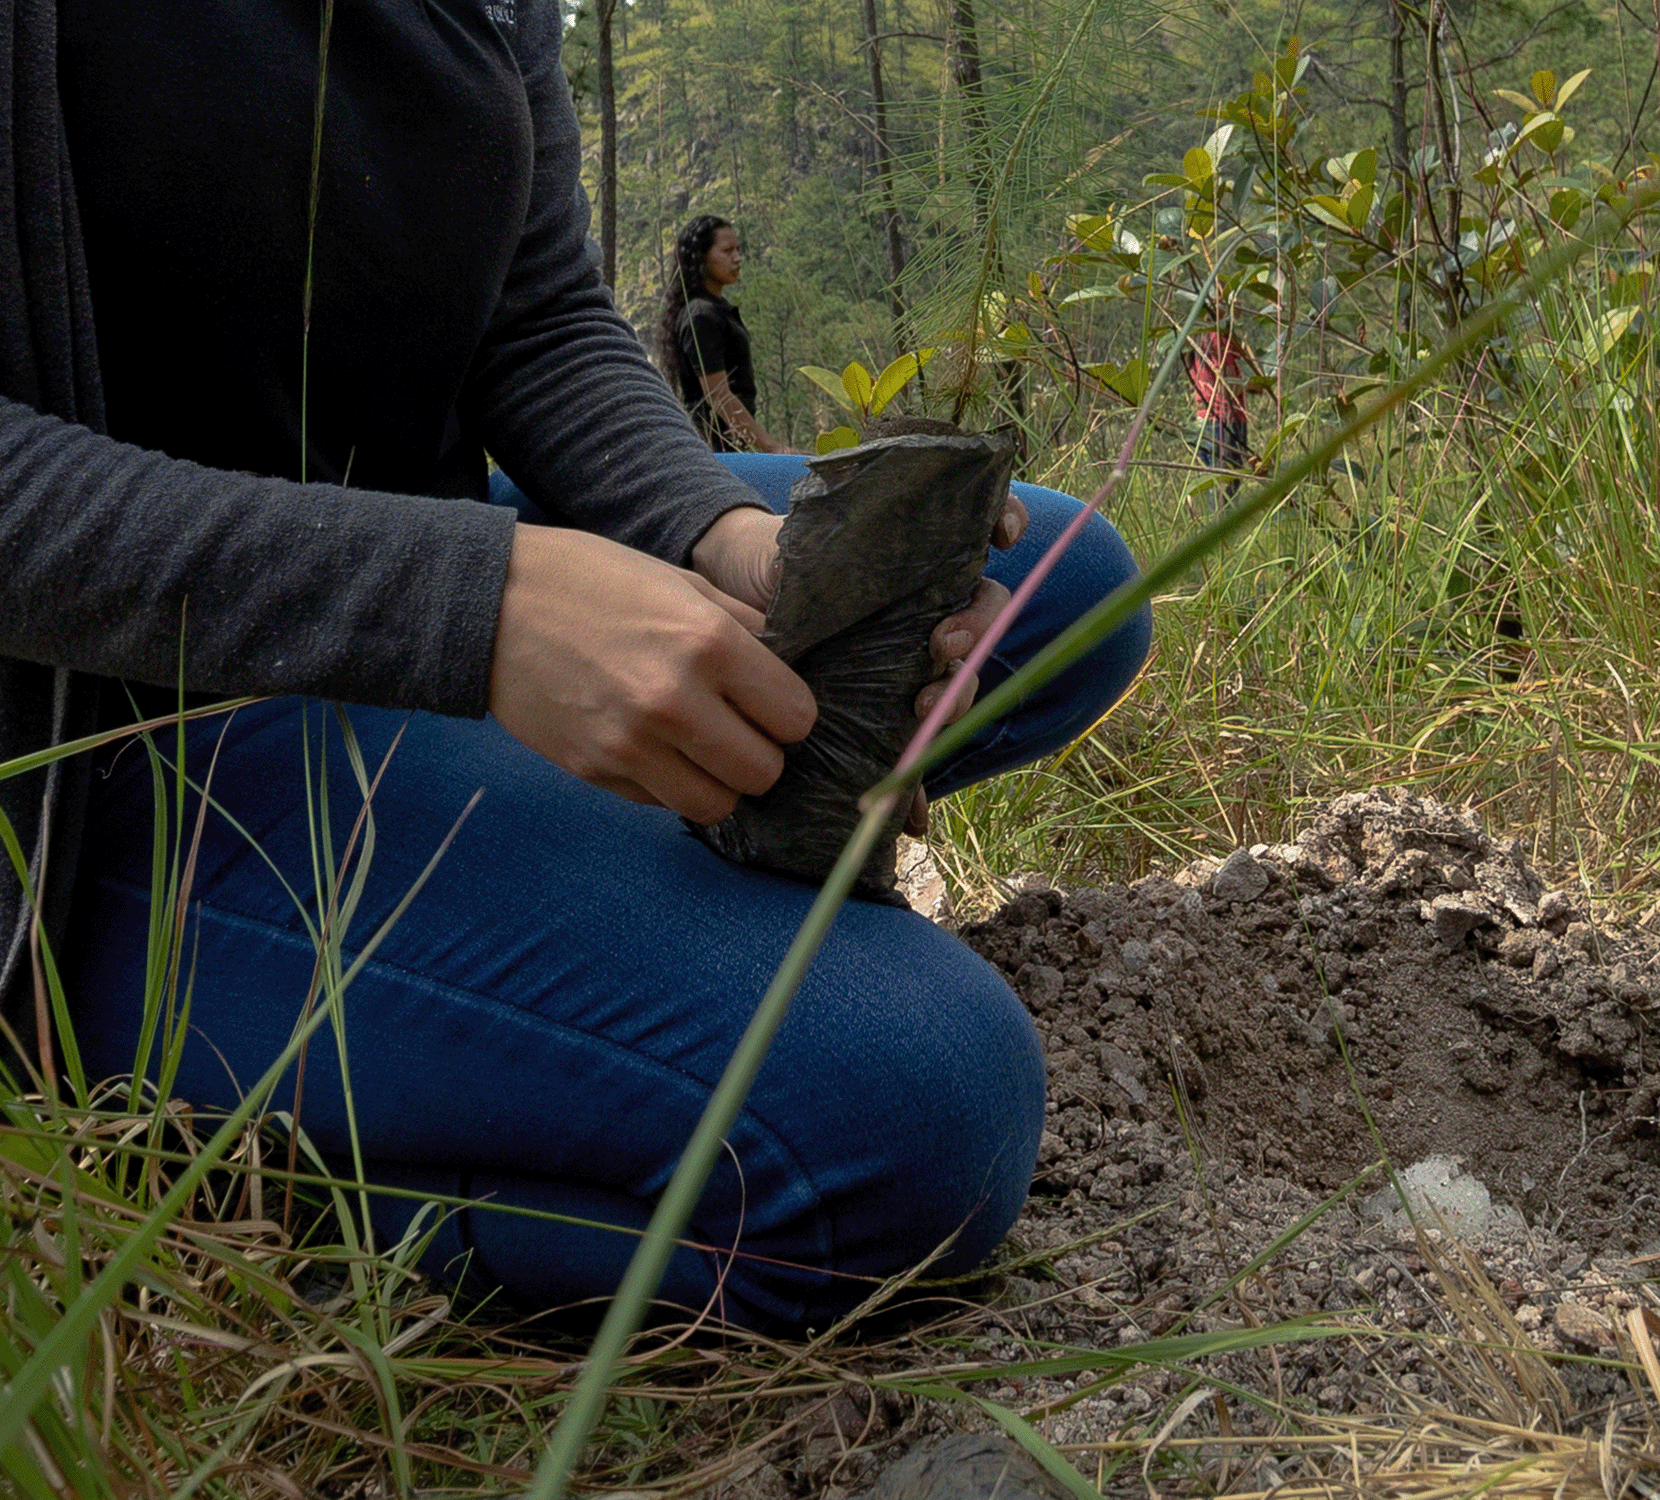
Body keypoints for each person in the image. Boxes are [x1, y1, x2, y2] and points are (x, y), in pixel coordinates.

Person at [0, 0, 1150, 1334]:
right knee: (908, 1107)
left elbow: (537, 315)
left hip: (417, 557)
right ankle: (263, 1181)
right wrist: (476, 614)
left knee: (1059, 596)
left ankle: (591, 871)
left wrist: (721, 543)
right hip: (90, 741)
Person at [656, 214, 793, 454]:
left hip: (730, 447)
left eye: (738, 250)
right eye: (727, 251)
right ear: (701, 257)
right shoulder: (700, 316)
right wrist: (772, 448)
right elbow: (717, 394)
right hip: (716, 451)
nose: (738, 259)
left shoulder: (716, 309)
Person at [1186, 329, 1252, 480]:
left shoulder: (1198, 339)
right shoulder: (1220, 340)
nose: (1239, 305)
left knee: (1216, 485)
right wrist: (1253, 383)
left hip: (1202, 421)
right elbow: (1228, 388)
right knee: (1229, 483)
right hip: (1225, 421)